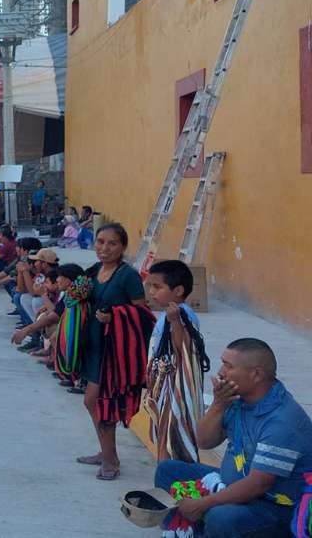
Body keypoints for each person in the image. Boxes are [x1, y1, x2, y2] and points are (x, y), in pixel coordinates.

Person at [154, 338, 312, 536]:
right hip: (233, 484)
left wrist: (201, 504)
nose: (220, 372)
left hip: (275, 506)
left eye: (228, 366)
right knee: (168, 471)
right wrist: (219, 405)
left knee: (221, 517)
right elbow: (204, 441)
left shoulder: (282, 420)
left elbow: (259, 484)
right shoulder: (238, 399)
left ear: (256, 374)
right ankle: (182, 531)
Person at [77, 222, 148, 481]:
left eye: (112, 243)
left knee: (99, 405)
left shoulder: (128, 276)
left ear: (123, 247)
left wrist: (115, 316)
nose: (104, 248)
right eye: (100, 242)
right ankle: (108, 453)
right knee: (93, 403)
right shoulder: (94, 270)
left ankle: (110, 462)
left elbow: (143, 314)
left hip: (115, 352)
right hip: (94, 347)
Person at [144, 260, 209, 463]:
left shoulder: (181, 314)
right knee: (164, 433)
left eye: (157, 286)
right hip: (165, 384)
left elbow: (183, 350)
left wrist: (175, 322)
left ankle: (166, 479)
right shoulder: (168, 313)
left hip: (175, 386)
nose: (152, 292)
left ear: (178, 290)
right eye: (150, 286)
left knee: (170, 434)